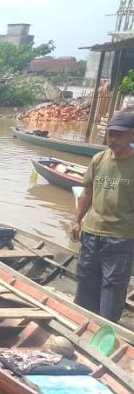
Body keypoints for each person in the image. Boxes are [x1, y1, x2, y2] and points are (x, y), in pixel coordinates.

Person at [71, 109, 134, 323]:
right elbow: (87, 193)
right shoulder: (98, 159)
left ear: (132, 136)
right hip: (92, 231)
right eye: (111, 133)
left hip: (122, 237)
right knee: (86, 276)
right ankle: (82, 322)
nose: (113, 139)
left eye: (119, 134)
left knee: (113, 284)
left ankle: (106, 328)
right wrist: (77, 221)